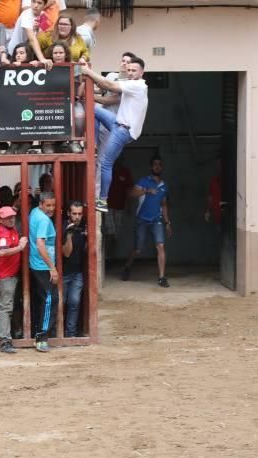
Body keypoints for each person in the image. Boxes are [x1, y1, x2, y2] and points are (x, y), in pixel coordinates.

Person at [80, 55, 148, 213]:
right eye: (129, 69)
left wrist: (88, 71)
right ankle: (94, 143)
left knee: (105, 164)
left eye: (134, 70)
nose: (130, 72)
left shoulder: (137, 85)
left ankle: (102, 200)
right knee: (93, 109)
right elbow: (104, 86)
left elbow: (108, 85)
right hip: (118, 123)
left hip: (124, 130)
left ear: (142, 72)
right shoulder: (129, 83)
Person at [121, 156, 171, 288]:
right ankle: (127, 267)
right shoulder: (144, 181)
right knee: (138, 249)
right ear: (151, 167)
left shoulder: (164, 186)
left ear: (162, 167)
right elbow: (131, 193)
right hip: (142, 219)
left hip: (157, 220)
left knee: (160, 246)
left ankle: (161, 277)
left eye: (159, 164)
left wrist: (167, 222)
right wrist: (146, 190)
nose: (157, 167)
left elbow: (164, 204)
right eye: (155, 164)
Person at [0, 205, 27, 353]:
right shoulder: (2, 232)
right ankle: (5, 340)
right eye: (8, 217)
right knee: (6, 307)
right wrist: (20, 247)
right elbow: (1, 252)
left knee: (9, 306)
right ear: (0, 219)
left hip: (12, 274)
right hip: (6, 276)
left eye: (13, 216)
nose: (11, 219)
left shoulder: (10, 229)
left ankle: (9, 336)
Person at [29, 191, 57, 353]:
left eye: (53, 205)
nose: (51, 208)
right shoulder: (44, 220)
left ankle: (37, 332)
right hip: (43, 266)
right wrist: (52, 267)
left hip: (36, 264)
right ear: (41, 204)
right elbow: (40, 244)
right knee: (49, 300)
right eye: (48, 205)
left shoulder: (34, 212)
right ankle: (41, 337)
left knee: (43, 300)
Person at [61, 200, 85, 337]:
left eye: (79, 214)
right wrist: (69, 235)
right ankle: (58, 332)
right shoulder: (63, 226)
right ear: (69, 213)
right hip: (63, 272)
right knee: (61, 303)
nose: (77, 217)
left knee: (74, 302)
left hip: (77, 272)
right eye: (74, 213)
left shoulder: (84, 227)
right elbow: (66, 253)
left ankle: (70, 333)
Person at [6, 0, 49, 68]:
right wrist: (42, 59)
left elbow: (43, 38)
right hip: (15, 53)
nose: (36, 5)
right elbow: (32, 39)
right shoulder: (26, 14)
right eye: (33, 2)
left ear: (45, 5)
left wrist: (37, 30)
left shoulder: (44, 15)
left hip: (29, 53)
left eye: (39, 3)